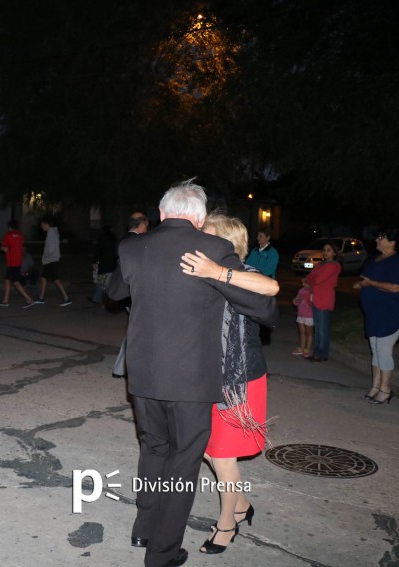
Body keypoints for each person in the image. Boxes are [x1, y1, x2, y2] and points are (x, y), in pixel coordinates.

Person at [117, 180, 276, 567]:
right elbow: (265, 310)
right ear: (200, 217)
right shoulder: (215, 249)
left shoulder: (131, 247)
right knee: (184, 463)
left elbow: (115, 293)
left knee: (153, 448)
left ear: (160, 212)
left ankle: (143, 528)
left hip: (142, 376)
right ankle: (162, 553)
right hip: (190, 379)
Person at [180, 212, 279, 555]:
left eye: (204, 234)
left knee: (222, 456)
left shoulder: (242, 274)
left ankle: (227, 524)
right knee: (209, 450)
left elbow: (272, 288)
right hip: (208, 375)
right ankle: (240, 504)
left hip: (240, 378)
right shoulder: (202, 272)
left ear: (223, 241)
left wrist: (218, 272)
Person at [353, 228, 399, 405]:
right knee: (375, 352)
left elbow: (395, 287)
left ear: (392, 242)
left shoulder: (395, 261)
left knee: (384, 352)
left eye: (382, 238)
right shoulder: (374, 260)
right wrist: (362, 284)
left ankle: (386, 390)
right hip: (373, 314)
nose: (377, 240)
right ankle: (375, 386)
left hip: (389, 314)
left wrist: (371, 283)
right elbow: (367, 279)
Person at [110, 212, 149, 378]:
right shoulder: (138, 242)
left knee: (134, 331)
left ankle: (120, 369)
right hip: (132, 292)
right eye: (147, 225)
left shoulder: (121, 240)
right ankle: (126, 369)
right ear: (141, 225)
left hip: (123, 290)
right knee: (137, 333)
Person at [303, 241, 341, 362]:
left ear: (334, 253)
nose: (325, 252)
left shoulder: (334, 266)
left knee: (322, 329)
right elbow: (309, 277)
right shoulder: (320, 264)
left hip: (324, 299)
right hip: (315, 297)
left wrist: (310, 281)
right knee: (318, 328)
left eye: (329, 250)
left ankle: (322, 354)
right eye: (324, 249)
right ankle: (317, 352)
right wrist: (310, 280)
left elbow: (317, 279)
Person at [245, 228, 279, 345]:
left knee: (264, 313)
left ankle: (264, 338)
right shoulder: (255, 251)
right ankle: (252, 336)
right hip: (253, 285)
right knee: (253, 312)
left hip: (265, 286)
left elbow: (269, 269)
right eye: (258, 236)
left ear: (267, 238)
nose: (258, 238)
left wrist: (256, 273)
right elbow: (247, 265)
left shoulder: (272, 253)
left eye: (261, 236)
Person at [0, 219, 35, 308]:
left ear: (9, 227)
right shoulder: (21, 235)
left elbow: (3, 247)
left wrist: (3, 248)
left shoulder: (8, 235)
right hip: (18, 262)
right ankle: (5, 300)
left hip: (11, 263)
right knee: (7, 279)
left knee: (15, 282)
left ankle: (29, 299)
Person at [33, 218, 71, 307]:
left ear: (47, 224)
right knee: (47, 278)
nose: (41, 226)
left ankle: (66, 299)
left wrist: (45, 256)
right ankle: (41, 297)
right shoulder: (53, 232)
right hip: (52, 260)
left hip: (51, 260)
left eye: (42, 224)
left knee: (53, 280)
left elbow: (51, 249)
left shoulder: (51, 233)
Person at [90, 225, 118, 304]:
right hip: (112, 265)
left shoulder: (102, 239)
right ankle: (110, 300)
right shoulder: (114, 239)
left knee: (101, 283)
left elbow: (98, 251)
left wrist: (94, 261)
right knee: (109, 283)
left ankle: (97, 299)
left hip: (104, 265)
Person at [291, 285, 314, 357]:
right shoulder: (301, 290)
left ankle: (308, 348)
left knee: (309, 333)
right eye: (303, 282)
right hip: (301, 314)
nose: (304, 284)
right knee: (302, 332)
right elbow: (297, 300)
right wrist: (295, 301)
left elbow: (313, 303)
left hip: (309, 316)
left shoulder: (313, 291)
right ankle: (302, 348)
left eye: (306, 282)